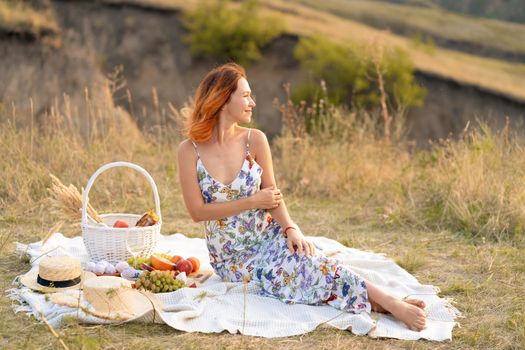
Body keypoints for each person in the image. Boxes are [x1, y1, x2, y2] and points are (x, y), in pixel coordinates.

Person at [177, 63, 427, 331]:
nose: (252, 102)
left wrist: (290, 228)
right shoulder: (190, 150)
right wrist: (252, 202)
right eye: (246, 95)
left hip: (269, 237)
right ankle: (388, 303)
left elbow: (272, 195)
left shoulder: (255, 140)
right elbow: (197, 212)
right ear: (223, 99)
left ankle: (389, 302)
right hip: (233, 258)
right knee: (300, 275)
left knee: (314, 263)